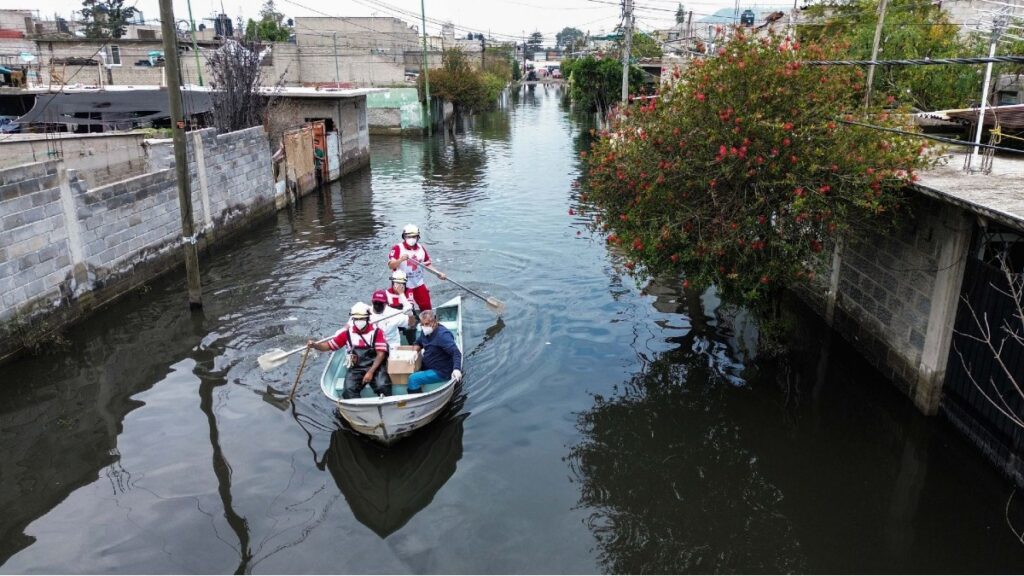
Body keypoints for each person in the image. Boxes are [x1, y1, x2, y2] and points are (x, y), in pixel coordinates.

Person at [308, 302, 391, 399]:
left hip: (375, 367)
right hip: (356, 368)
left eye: (362, 319)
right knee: (348, 390)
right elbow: (329, 346)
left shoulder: (377, 332)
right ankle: (358, 408)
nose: (359, 321)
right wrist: (315, 345)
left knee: (383, 385)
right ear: (353, 319)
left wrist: (370, 372)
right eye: (356, 319)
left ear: (367, 318)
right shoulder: (347, 334)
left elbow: (381, 354)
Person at [388, 223, 446, 313]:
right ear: (404, 236)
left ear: (418, 237)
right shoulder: (397, 248)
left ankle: (427, 322)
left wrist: (438, 273)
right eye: (408, 236)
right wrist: (400, 259)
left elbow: (427, 265)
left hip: (418, 283)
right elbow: (391, 265)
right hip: (402, 285)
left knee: (426, 307)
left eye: (414, 236)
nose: (411, 239)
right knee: (406, 311)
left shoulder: (421, 248)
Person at [407, 309, 463, 393]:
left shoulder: (443, 336)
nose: (424, 327)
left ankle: (417, 399)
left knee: (413, 379)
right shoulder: (425, 331)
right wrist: (415, 352)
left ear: (434, 321)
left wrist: (456, 369)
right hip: (428, 365)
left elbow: (456, 353)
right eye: (422, 324)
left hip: (441, 371)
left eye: (426, 324)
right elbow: (419, 342)